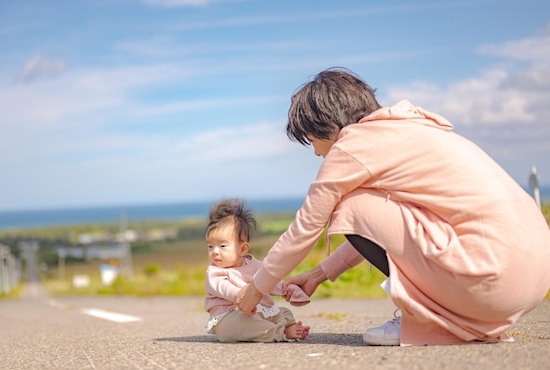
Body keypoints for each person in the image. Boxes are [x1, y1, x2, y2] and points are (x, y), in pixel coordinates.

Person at [235, 68, 550, 346]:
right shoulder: (408, 129)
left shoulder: (352, 144)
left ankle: (427, 318)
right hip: (530, 277)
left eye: (312, 141)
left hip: (489, 280)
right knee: (364, 204)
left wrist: (256, 288)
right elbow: (385, 225)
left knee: (349, 203)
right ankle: (452, 315)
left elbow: (305, 229)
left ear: (327, 126)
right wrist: (320, 273)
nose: (317, 154)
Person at [204, 198, 310, 342]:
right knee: (231, 327)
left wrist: (285, 289)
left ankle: (286, 327)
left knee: (284, 312)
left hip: (261, 312)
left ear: (243, 249)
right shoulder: (214, 272)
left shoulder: (255, 264)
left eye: (222, 246)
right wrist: (238, 295)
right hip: (231, 315)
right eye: (210, 246)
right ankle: (279, 332)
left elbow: (269, 279)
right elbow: (222, 287)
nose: (215, 252)